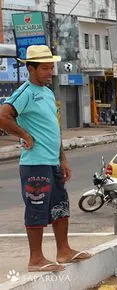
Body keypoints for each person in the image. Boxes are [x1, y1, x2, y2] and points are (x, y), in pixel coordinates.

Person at [0, 45, 92, 272]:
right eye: (45, 68)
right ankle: (36, 259)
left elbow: (53, 129)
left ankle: (64, 251)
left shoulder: (48, 93)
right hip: (34, 163)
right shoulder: (25, 92)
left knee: (61, 207)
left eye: (51, 67)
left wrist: (63, 159)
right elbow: (3, 116)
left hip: (52, 161)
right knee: (37, 208)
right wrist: (23, 135)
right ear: (30, 68)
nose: (50, 72)